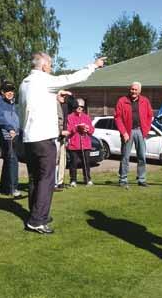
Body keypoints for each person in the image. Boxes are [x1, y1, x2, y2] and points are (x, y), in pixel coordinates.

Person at [19, 52, 105, 234]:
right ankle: (37, 220)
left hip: (28, 138)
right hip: (43, 138)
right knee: (47, 178)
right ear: (43, 66)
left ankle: (36, 213)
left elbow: (22, 111)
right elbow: (72, 78)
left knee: (35, 178)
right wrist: (93, 66)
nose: (51, 68)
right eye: (50, 64)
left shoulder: (24, 84)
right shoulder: (45, 80)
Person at [114, 82, 153, 189]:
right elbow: (118, 118)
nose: (134, 91)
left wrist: (146, 130)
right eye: (132, 89)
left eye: (136, 90)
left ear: (140, 91)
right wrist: (124, 132)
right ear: (129, 89)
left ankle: (141, 179)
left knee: (142, 157)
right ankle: (123, 179)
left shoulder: (145, 101)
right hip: (127, 132)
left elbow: (150, 116)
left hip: (140, 132)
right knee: (125, 157)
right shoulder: (122, 101)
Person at [0, 81, 20, 197]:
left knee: (9, 159)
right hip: (6, 133)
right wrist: (10, 129)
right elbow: (0, 119)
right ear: (2, 92)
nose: (10, 93)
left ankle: (4, 187)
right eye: (7, 91)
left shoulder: (13, 104)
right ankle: (13, 188)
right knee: (12, 159)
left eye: (12, 90)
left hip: (15, 133)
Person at [67, 98, 95, 187]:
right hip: (74, 144)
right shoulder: (70, 117)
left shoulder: (86, 117)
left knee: (86, 163)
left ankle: (87, 179)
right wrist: (76, 128)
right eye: (78, 106)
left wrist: (88, 129)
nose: (80, 108)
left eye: (82, 106)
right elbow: (68, 130)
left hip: (85, 144)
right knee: (73, 164)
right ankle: (73, 180)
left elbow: (92, 130)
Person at [54, 90, 71, 191]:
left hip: (63, 137)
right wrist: (60, 132)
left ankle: (59, 182)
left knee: (61, 160)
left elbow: (75, 103)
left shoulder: (64, 106)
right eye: (61, 95)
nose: (63, 97)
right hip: (56, 135)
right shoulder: (54, 105)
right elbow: (54, 122)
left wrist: (69, 94)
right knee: (54, 161)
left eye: (65, 96)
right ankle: (53, 183)